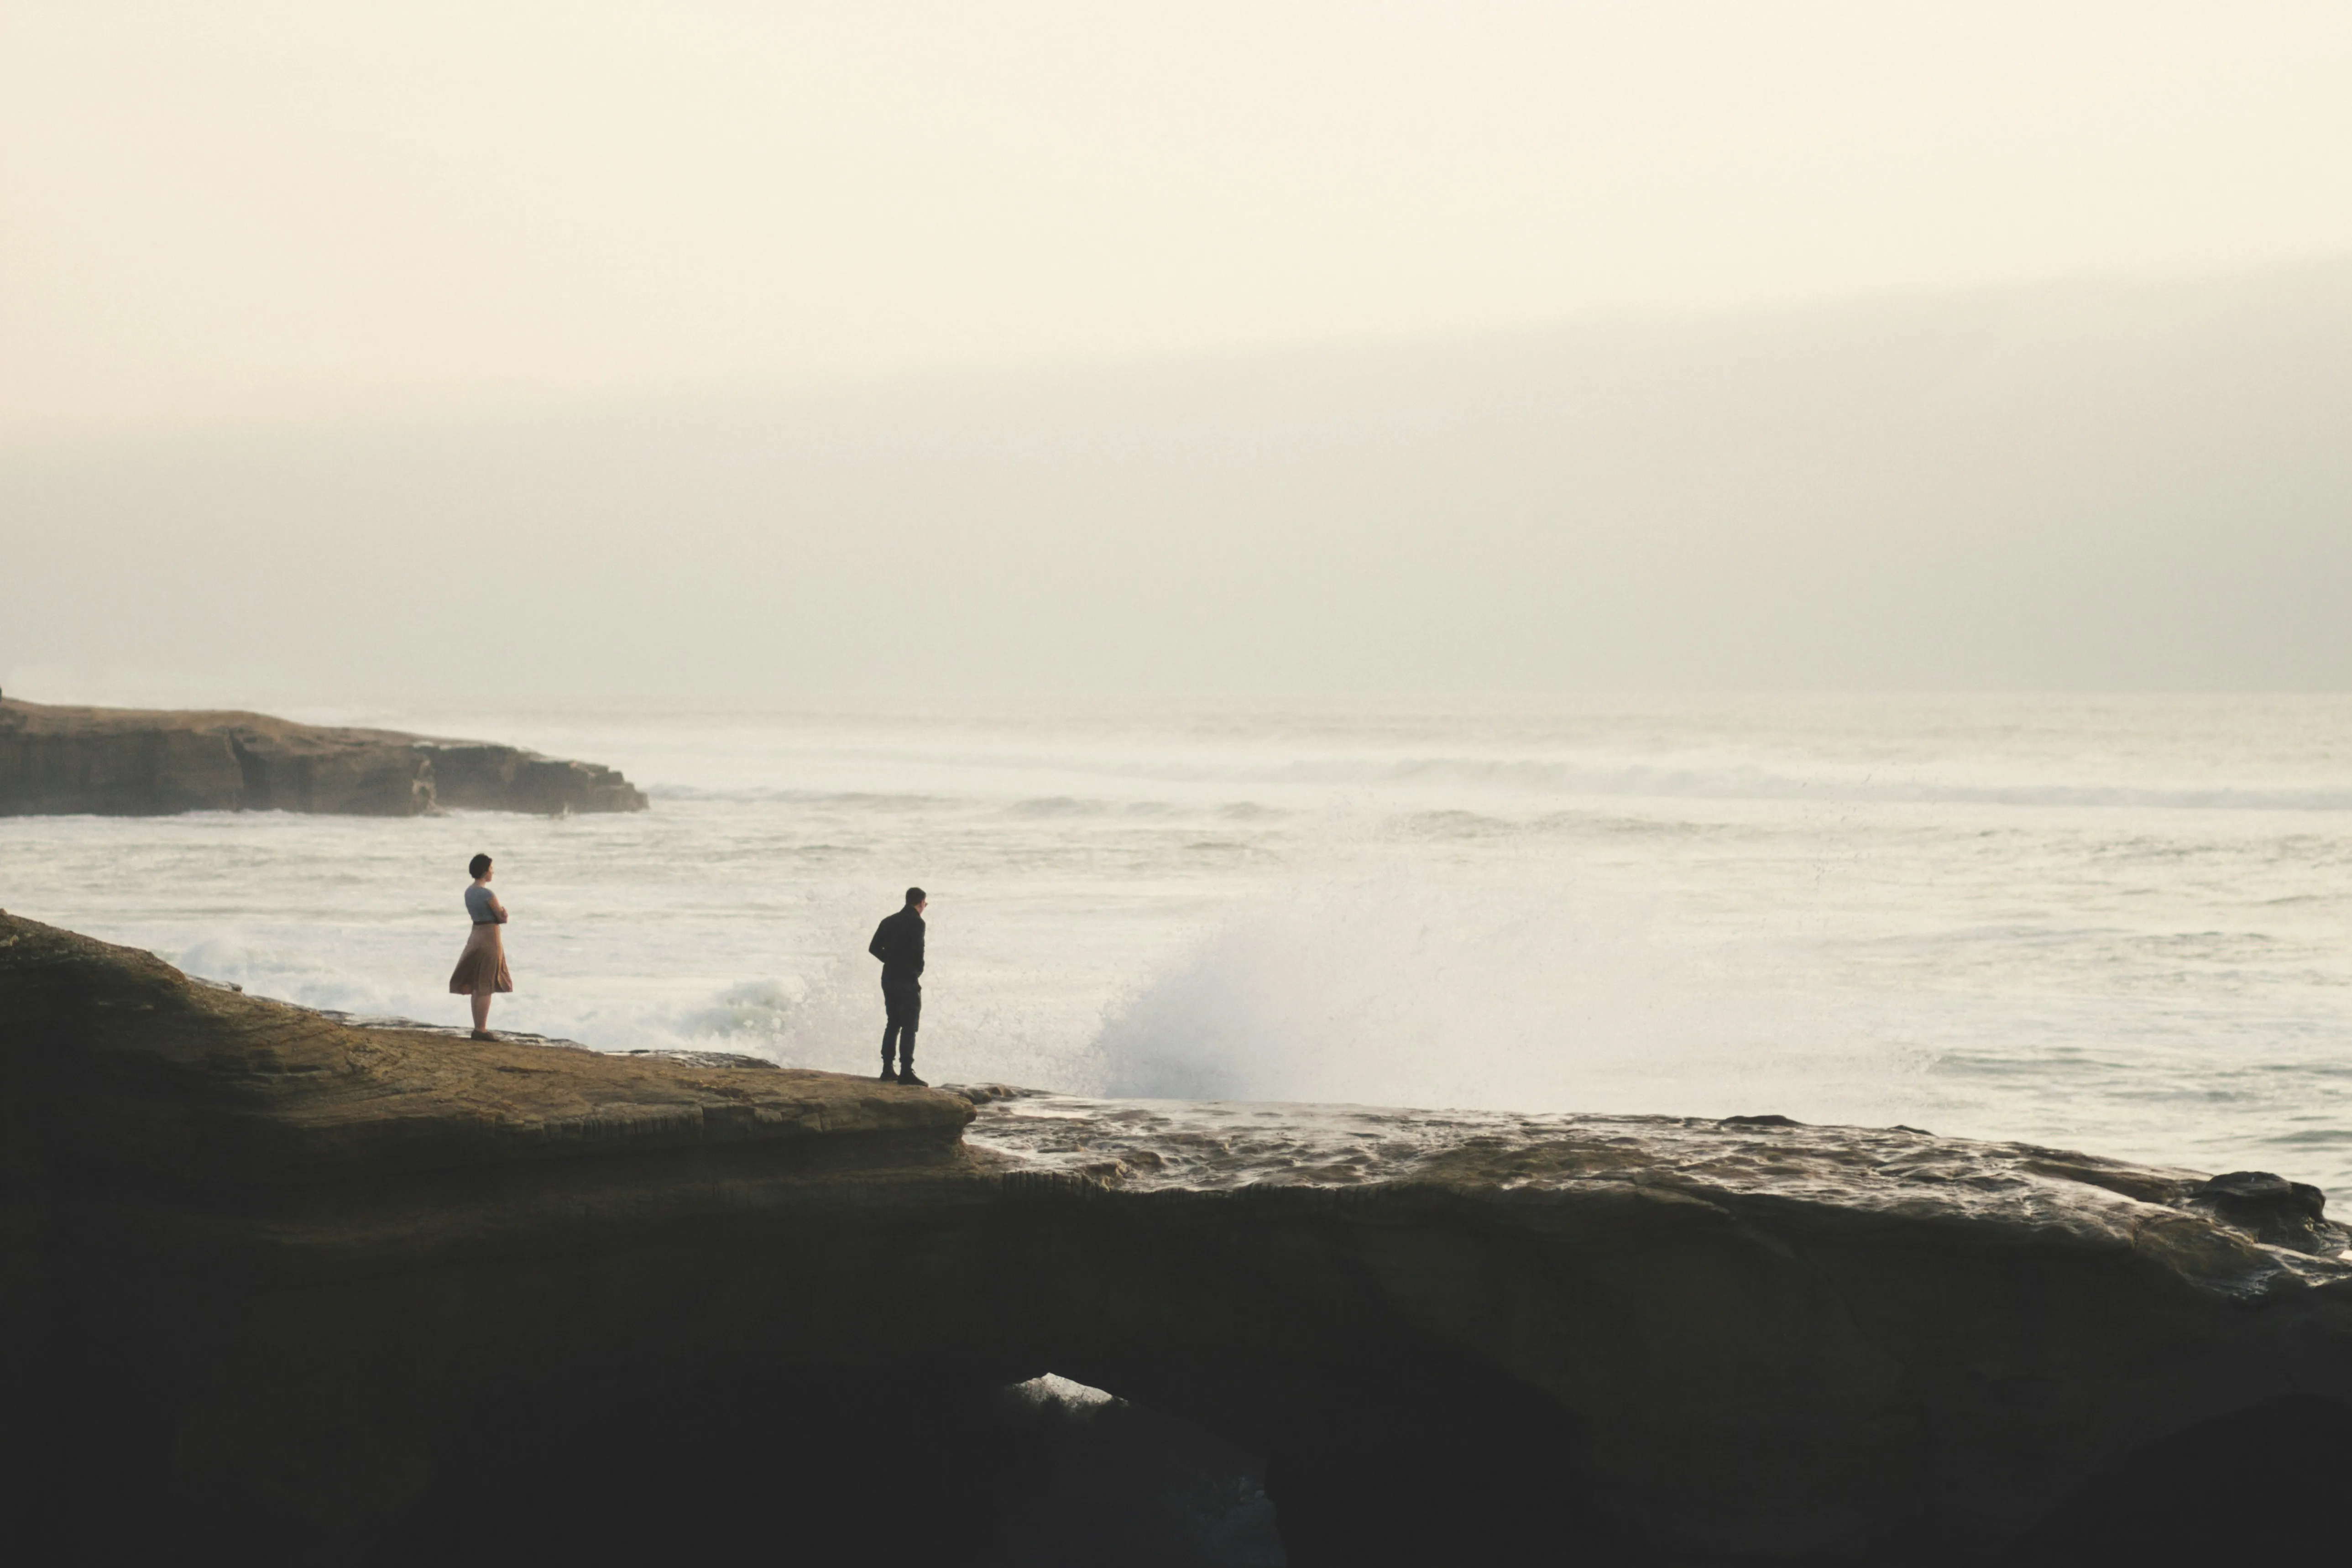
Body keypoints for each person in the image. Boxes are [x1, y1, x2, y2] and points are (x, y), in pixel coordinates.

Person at [447, 852, 512, 1039]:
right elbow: (501, 917)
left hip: (475, 934)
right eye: (491, 869)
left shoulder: (469, 892)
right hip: (490, 936)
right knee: (485, 985)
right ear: (485, 872)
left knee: (478, 984)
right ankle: (481, 1029)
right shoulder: (488, 894)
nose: (493, 872)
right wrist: (505, 914)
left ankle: (478, 1027)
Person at [868, 886, 927, 1085]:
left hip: (889, 978)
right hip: (907, 979)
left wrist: (890, 960)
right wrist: (917, 971)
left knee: (893, 1022)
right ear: (920, 903)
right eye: (925, 904)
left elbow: (873, 948)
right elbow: (918, 951)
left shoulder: (888, 921)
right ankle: (906, 1072)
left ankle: (887, 1069)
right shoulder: (917, 923)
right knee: (910, 1026)